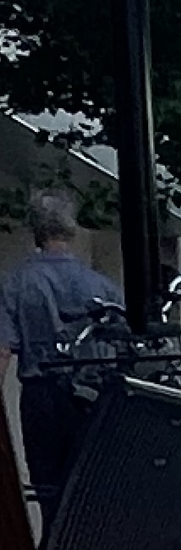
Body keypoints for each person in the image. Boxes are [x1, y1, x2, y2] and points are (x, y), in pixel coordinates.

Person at [0, 188, 122, 519]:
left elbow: (4, 350)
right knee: (93, 486)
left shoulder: (16, 283)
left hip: (43, 396)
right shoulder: (101, 286)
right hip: (97, 395)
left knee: (49, 487)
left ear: (35, 229)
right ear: (72, 228)